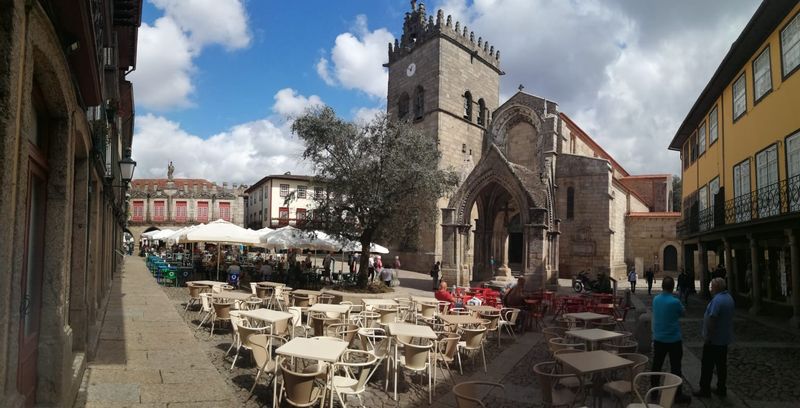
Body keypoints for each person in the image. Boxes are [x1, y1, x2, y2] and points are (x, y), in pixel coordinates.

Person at [651, 276, 692, 404]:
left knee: (656, 365)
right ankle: (677, 394)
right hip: (673, 339)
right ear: (673, 287)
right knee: (676, 368)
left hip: (658, 338)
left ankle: (653, 392)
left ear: (662, 286)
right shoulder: (674, 302)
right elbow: (683, 313)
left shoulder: (656, 299)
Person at [695, 278, 735, 398]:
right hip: (724, 339)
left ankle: (705, 389)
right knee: (721, 365)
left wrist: (708, 337)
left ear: (716, 288)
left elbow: (712, 319)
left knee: (707, 366)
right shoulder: (729, 298)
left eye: (712, 287)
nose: (710, 289)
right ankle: (721, 388)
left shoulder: (717, 300)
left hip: (714, 340)